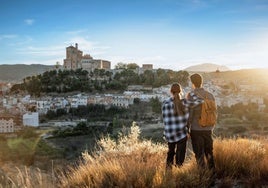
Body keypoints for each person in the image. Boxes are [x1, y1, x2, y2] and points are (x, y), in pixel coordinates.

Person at [162, 83, 202, 169]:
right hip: (181, 134)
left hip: (169, 134)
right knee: (180, 154)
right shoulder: (184, 102)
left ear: (171, 91)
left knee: (170, 152)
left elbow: (165, 119)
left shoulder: (165, 103)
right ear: (180, 91)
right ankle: (178, 170)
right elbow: (200, 101)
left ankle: (168, 171)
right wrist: (192, 94)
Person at [187, 73, 216, 170]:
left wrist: (187, 128)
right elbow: (214, 112)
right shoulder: (210, 95)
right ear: (202, 82)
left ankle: (202, 177)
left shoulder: (191, 95)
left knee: (199, 155)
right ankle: (212, 176)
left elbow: (189, 114)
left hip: (196, 129)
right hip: (208, 129)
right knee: (209, 153)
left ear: (192, 83)